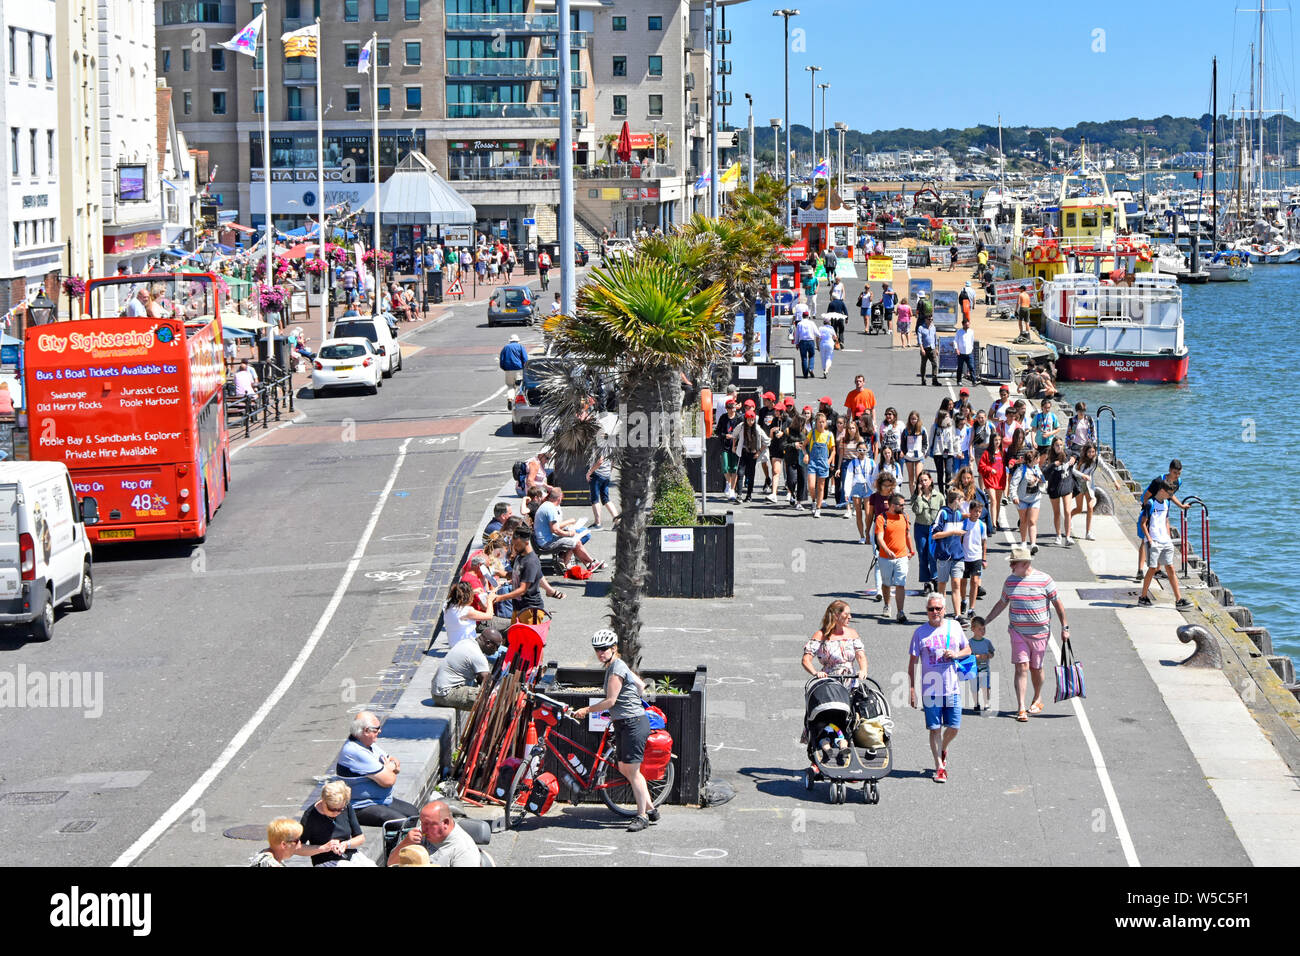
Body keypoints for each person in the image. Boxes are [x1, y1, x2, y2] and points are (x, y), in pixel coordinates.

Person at [573, 630, 658, 832]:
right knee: (625, 768)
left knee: (633, 772)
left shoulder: (616, 668)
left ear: (614, 649)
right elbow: (640, 684)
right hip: (625, 722)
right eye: (597, 650)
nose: (600, 653)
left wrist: (586, 710)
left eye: (604, 649)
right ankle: (652, 809)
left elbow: (610, 700)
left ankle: (642, 816)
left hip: (632, 723)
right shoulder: (617, 666)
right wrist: (631, 701)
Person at [983, 544, 1070, 721]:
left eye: (1014, 563)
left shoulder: (1044, 580)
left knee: (1035, 667)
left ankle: (1037, 697)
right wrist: (986, 621)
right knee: (1021, 666)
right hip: (1018, 632)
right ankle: (1021, 707)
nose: (1011, 566)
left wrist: (1065, 628)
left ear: (1025, 563)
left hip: (1040, 633)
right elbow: (1002, 603)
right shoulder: (1010, 581)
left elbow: (1058, 604)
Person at [907, 592, 971, 782]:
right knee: (934, 728)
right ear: (926, 611)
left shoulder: (955, 626)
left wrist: (956, 654)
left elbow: (968, 649)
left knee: (954, 727)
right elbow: (912, 662)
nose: (935, 612)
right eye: (931, 609)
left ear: (945, 610)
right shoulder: (920, 632)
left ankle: (943, 747)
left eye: (938, 608)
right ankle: (939, 767)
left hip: (952, 687)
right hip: (930, 690)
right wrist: (911, 689)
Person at [335, 711, 421, 827]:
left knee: (413, 813)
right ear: (365, 731)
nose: (380, 731)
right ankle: (395, 845)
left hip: (381, 800)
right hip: (361, 806)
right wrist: (388, 769)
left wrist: (388, 768)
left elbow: (395, 762)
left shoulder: (368, 744)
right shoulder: (355, 751)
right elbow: (388, 781)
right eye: (376, 729)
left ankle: (404, 842)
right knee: (399, 822)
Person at [1138, 481, 1193, 610]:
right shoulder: (1150, 503)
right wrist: (1150, 540)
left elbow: (1166, 520)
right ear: (1162, 490)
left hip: (1165, 541)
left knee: (1170, 568)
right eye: (1169, 494)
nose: (1171, 496)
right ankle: (1143, 597)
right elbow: (1143, 523)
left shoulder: (1167, 503)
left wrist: (1168, 538)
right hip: (1154, 541)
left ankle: (1178, 600)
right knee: (1152, 569)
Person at [501, 526, 565, 624]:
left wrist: (500, 598)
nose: (514, 547)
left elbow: (522, 590)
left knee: (529, 639)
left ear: (526, 542)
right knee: (514, 638)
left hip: (530, 610)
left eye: (516, 544)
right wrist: (500, 573)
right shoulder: (520, 556)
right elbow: (516, 575)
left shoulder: (530, 562)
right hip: (518, 607)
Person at [1136, 460, 1188, 581]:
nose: (1177, 476)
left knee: (1162, 539)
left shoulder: (1178, 482)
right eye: (1175, 473)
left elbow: (1170, 495)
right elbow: (1146, 496)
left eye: (1179, 473)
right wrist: (1148, 511)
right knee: (1145, 540)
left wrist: (1181, 505)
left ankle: (1157, 570)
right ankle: (1140, 570)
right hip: (1152, 509)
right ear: (1169, 470)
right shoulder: (1158, 481)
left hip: (1164, 510)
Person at [387, 801, 481, 867]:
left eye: (428, 824)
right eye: (422, 822)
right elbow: (391, 863)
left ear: (445, 823)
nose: (423, 828)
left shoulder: (464, 850)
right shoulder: (420, 834)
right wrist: (406, 842)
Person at [297, 780, 369, 866]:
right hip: (324, 860)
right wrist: (323, 848)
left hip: (349, 855)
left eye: (340, 809)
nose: (337, 813)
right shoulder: (310, 816)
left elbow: (360, 838)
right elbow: (297, 848)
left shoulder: (346, 806)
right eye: (332, 809)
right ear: (323, 801)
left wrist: (346, 844)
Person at [432, 626, 503, 710]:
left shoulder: (467, 642)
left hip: (437, 692)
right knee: (493, 699)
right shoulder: (477, 655)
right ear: (488, 643)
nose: (496, 651)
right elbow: (488, 683)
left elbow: (480, 679)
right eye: (496, 647)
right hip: (445, 694)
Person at [534, 487, 603, 571]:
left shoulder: (547, 505)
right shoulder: (550, 509)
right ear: (559, 498)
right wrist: (570, 533)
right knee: (575, 541)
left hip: (544, 539)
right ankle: (590, 562)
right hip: (547, 542)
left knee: (574, 539)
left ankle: (589, 563)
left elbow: (554, 528)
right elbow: (555, 530)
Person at [875, 492, 915, 624]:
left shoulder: (904, 516)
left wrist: (911, 550)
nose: (904, 507)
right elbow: (879, 538)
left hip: (902, 557)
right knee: (886, 584)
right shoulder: (882, 518)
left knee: (900, 584)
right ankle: (887, 605)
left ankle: (900, 612)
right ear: (893, 505)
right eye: (901, 505)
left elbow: (907, 534)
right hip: (885, 558)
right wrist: (887, 550)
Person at [930, 488, 968, 618]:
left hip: (958, 555)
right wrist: (952, 533)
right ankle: (942, 611)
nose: (963, 502)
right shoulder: (943, 513)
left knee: (956, 583)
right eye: (962, 499)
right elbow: (935, 534)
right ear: (956, 500)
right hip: (943, 556)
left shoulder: (958, 514)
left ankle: (958, 614)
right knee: (942, 584)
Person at [910, 471, 944, 594]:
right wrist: (919, 495)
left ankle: (935, 578)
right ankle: (926, 582)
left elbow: (943, 513)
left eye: (925, 480)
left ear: (930, 480)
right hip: (920, 528)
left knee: (933, 554)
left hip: (934, 528)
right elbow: (917, 510)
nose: (923, 483)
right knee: (922, 554)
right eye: (921, 481)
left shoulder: (939, 496)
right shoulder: (916, 496)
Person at [734, 404, 770, 502]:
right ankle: (739, 495)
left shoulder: (757, 428)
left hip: (753, 454)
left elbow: (767, 441)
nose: (750, 422)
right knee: (740, 473)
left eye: (752, 420)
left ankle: (749, 495)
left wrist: (759, 452)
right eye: (748, 419)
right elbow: (734, 435)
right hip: (744, 452)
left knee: (751, 474)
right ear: (745, 419)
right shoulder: (741, 426)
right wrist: (734, 446)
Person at [1043, 438, 1075, 547]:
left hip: (1067, 485)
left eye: (1061, 445)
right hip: (1054, 487)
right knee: (1057, 513)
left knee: (1067, 511)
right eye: (1057, 445)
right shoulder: (1050, 458)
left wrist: (1074, 459)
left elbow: (1077, 454)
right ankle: (1058, 535)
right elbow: (1044, 474)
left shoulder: (1067, 453)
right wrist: (1053, 465)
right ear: (1053, 446)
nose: (1059, 447)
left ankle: (1068, 537)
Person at [1011, 446, 1044, 554]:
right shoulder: (1021, 470)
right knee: (1024, 520)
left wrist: (1039, 480)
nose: (1039, 460)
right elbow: (1014, 484)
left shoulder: (1037, 469)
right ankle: (1023, 541)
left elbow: (1043, 481)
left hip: (1035, 498)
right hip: (1022, 499)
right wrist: (1014, 496)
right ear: (1033, 459)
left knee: (1032, 521)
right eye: (1037, 458)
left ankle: (1033, 544)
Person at [443, 580, 495, 648]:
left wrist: (472, 591)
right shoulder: (466, 611)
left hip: (454, 645)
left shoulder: (447, 605)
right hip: (467, 648)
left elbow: (453, 596)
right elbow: (489, 616)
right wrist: (490, 600)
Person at [959, 499, 987, 621]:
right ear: (970, 511)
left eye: (979, 512)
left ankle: (971, 608)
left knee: (975, 582)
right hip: (964, 557)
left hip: (976, 558)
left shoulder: (982, 525)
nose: (977, 514)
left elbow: (984, 542)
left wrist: (984, 559)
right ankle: (963, 600)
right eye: (975, 511)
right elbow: (960, 540)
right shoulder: (964, 524)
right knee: (963, 582)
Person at [803, 411, 835, 517]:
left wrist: (829, 461)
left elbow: (833, 450)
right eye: (819, 422)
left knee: (821, 486)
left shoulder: (829, 435)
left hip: (823, 463)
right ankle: (813, 500)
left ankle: (818, 508)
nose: (821, 424)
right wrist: (806, 454)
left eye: (823, 422)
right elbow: (804, 446)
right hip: (813, 461)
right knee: (811, 486)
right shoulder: (812, 433)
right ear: (816, 422)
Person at [1068, 442, 1100, 540]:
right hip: (1079, 485)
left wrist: (1115, 481)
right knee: (1079, 509)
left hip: (1088, 486)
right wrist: (1083, 475)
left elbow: (1107, 469)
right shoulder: (1080, 459)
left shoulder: (1096, 459)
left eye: (1093, 452)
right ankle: (1069, 518)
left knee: (1090, 507)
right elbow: (1073, 470)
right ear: (1085, 452)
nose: (1091, 454)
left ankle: (1088, 532)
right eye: (1089, 452)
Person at [585, 437, 618, 528]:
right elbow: (613, 461)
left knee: (594, 499)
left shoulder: (599, 446)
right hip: (606, 475)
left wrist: (590, 472)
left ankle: (597, 523)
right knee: (606, 499)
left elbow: (600, 461)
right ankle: (617, 521)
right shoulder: (610, 446)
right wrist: (609, 471)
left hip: (597, 474)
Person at [846, 444, 876, 544]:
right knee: (858, 513)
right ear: (856, 451)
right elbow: (849, 477)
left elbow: (875, 476)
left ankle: (867, 533)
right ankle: (862, 536)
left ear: (867, 450)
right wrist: (847, 491)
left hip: (868, 487)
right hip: (857, 488)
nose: (862, 452)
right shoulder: (853, 463)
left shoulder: (871, 462)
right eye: (859, 450)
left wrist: (875, 487)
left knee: (868, 513)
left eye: (864, 449)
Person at [968, 615, 995, 714]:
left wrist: (989, 655)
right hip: (973, 669)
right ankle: (976, 703)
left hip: (984, 668)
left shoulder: (987, 642)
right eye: (980, 629)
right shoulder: (969, 643)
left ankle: (986, 704)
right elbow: (967, 656)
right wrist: (978, 657)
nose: (982, 631)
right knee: (974, 687)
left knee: (985, 687)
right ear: (973, 629)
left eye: (984, 629)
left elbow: (992, 653)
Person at [717, 397, 742, 500]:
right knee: (726, 467)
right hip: (725, 445)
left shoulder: (739, 418)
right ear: (727, 409)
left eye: (734, 407)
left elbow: (742, 431)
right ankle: (729, 482)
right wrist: (725, 435)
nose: (733, 409)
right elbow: (718, 431)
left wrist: (735, 437)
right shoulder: (723, 418)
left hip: (735, 446)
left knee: (734, 468)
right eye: (731, 408)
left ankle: (732, 490)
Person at [901, 410, 929, 494]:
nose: (913, 421)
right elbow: (903, 443)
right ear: (909, 420)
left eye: (915, 419)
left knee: (919, 477)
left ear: (918, 419)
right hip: (908, 457)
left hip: (919, 456)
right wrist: (905, 452)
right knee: (911, 477)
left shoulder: (922, 429)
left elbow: (925, 442)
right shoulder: (906, 430)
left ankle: (919, 494)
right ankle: (912, 495)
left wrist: (923, 452)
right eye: (912, 419)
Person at [499, 334, 528, 409]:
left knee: (510, 386)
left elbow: (502, 360)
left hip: (508, 370)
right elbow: (525, 359)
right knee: (519, 386)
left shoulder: (506, 347)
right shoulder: (520, 347)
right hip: (519, 369)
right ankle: (518, 402)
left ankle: (510, 398)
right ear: (518, 340)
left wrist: (504, 368)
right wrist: (526, 368)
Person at [916, 309, 940, 386]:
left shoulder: (933, 327)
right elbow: (919, 339)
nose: (930, 321)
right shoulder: (921, 328)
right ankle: (923, 379)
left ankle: (934, 380)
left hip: (932, 348)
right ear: (925, 319)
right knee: (923, 365)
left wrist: (936, 348)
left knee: (935, 364)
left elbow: (935, 338)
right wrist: (921, 348)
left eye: (931, 319)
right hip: (924, 348)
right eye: (929, 319)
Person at [794, 309, 819, 378]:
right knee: (811, 355)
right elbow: (816, 332)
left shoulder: (799, 324)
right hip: (811, 341)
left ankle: (805, 374)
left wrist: (796, 343)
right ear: (808, 316)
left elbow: (797, 334)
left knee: (804, 358)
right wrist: (820, 336)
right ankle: (810, 368)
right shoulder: (811, 323)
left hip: (802, 342)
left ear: (802, 316)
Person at [954, 316, 978, 386]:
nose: (968, 326)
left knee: (971, 367)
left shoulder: (971, 332)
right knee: (960, 368)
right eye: (966, 325)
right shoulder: (959, 332)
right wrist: (956, 349)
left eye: (968, 324)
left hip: (969, 353)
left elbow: (972, 341)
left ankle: (974, 381)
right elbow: (955, 341)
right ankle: (959, 381)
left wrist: (971, 348)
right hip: (961, 353)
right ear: (963, 324)